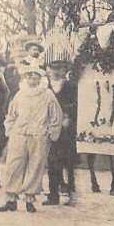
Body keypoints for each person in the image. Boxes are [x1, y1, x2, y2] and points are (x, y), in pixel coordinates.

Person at [0, 60, 62, 213]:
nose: (32, 77)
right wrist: (11, 130)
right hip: (19, 135)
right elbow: (11, 114)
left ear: (40, 77)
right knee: (14, 165)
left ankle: (29, 199)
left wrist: (50, 133)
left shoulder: (48, 95)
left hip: (38, 136)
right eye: (29, 75)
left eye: (36, 75)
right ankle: (11, 199)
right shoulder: (20, 94)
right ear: (25, 77)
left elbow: (56, 116)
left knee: (35, 166)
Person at [43, 60, 78, 206]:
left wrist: (69, 116)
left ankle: (71, 194)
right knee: (52, 161)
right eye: (53, 68)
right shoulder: (45, 87)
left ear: (65, 70)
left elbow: (77, 104)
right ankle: (53, 194)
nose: (57, 72)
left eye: (60, 69)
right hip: (51, 129)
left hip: (67, 129)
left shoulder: (71, 86)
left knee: (69, 162)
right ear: (49, 70)